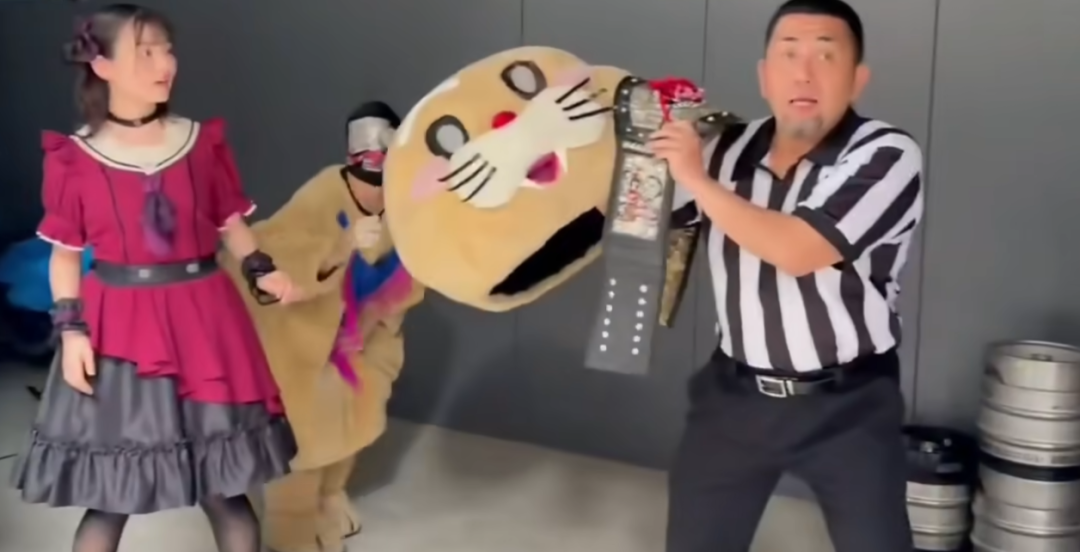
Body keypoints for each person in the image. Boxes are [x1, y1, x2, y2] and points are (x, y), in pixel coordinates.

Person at [9, 4, 299, 552]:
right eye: (144, 52)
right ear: (102, 65)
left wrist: (262, 269)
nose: (164, 64)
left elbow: (229, 221)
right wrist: (71, 333)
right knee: (111, 499)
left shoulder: (201, 142)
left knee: (226, 490)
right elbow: (65, 256)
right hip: (120, 330)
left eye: (166, 50)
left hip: (205, 321)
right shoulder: (74, 158)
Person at [649, 1, 924, 551]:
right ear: (764, 76)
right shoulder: (721, 147)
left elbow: (798, 250)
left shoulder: (887, 155)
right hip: (734, 395)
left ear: (857, 79)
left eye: (826, 56)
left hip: (849, 403)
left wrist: (696, 180)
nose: (804, 73)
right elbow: (649, 213)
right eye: (789, 55)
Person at [220, 101, 423, 552]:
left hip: (364, 336)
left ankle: (330, 496)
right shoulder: (327, 191)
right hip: (305, 334)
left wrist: (370, 321)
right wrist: (341, 245)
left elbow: (410, 272)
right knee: (303, 435)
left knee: (356, 419)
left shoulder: (405, 201)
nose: (375, 165)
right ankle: (290, 523)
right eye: (366, 154)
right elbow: (281, 247)